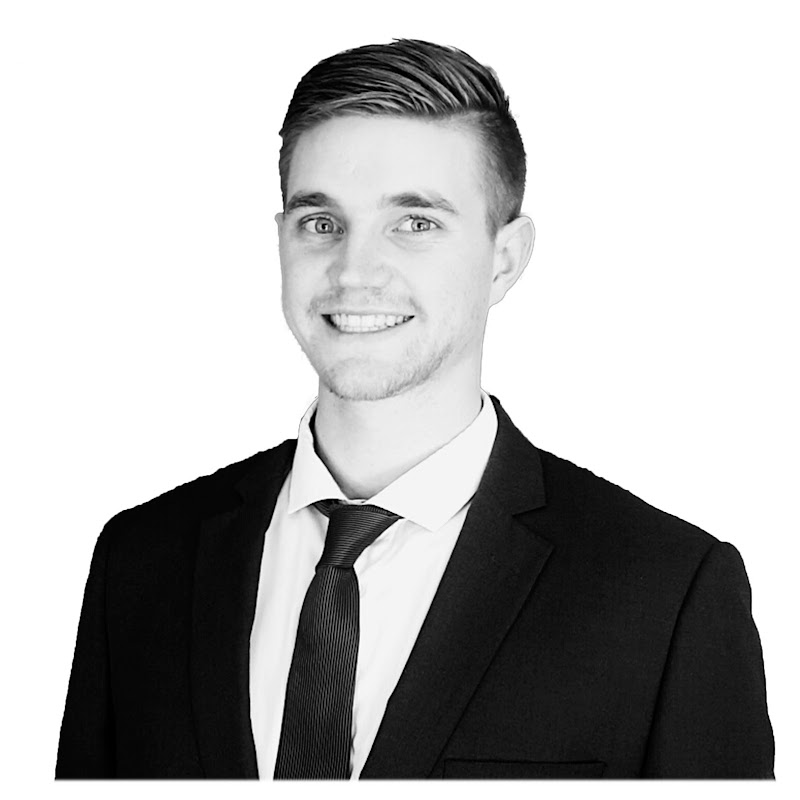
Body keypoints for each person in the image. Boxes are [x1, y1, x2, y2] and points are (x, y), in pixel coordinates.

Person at [55, 39, 773, 780]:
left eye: (415, 223)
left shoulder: (666, 591)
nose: (354, 271)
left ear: (505, 259)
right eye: (320, 222)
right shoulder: (142, 560)